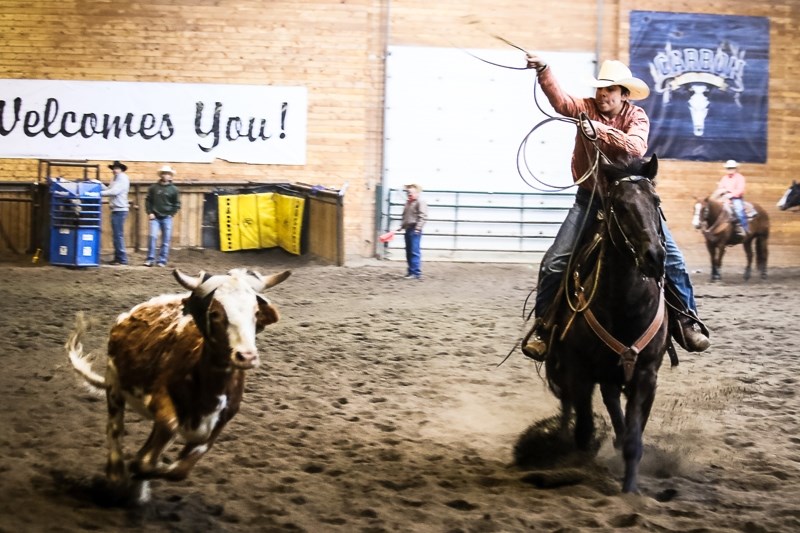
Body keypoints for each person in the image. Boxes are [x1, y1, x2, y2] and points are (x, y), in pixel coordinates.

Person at [521, 55, 710, 361]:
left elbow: (636, 147)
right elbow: (560, 102)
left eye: (610, 90)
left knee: (672, 259)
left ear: (624, 94)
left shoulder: (637, 117)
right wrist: (544, 70)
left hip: (630, 203)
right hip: (590, 200)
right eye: (600, 89)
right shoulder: (584, 108)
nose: (603, 95)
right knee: (554, 263)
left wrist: (600, 130)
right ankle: (544, 328)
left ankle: (687, 321)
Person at [143, 165, 181, 267]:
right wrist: (149, 212)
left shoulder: (174, 190)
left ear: (171, 176)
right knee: (153, 237)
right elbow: (148, 200)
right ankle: (150, 259)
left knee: (166, 239)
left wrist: (171, 214)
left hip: (166, 217)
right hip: (155, 217)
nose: (166, 175)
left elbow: (177, 204)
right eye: (164, 173)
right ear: (161, 175)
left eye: (168, 174)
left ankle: (162, 260)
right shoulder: (153, 188)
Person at [100, 160, 130, 265]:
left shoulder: (122, 178)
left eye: (117, 168)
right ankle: (119, 257)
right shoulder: (115, 179)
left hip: (120, 209)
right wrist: (99, 184)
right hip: (117, 209)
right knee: (117, 235)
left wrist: (97, 193)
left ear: (121, 169)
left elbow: (114, 192)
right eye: (114, 168)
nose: (115, 170)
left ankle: (122, 259)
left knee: (118, 235)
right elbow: (109, 189)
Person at [399, 183, 428, 280]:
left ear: (417, 193)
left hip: (414, 229)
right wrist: (402, 226)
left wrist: (418, 228)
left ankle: (415, 272)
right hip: (408, 228)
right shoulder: (408, 203)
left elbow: (422, 216)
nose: (409, 194)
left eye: (410, 192)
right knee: (408, 251)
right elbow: (405, 216)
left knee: (414, 251)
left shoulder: (420, 202)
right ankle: (411, 271)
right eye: (408, 192)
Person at [718, 160, 748, 235]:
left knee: (739, 211)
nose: (730, 169)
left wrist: (731, 194)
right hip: (725, 198)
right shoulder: (724, 178)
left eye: (731, 168)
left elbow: (740, 189)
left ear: (735, 168)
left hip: (736, 198)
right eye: (728, 168)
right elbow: (720, 187)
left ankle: (744, 228)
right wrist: (722, 193)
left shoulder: (740, 178)